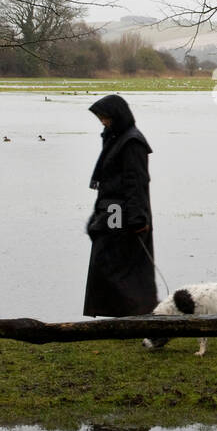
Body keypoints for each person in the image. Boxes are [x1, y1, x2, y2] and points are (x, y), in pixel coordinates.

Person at [83, 94, 158, 318]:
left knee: (121, 264)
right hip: (111, 210)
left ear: (117, 116)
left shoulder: (132, 142)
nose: (103, 122)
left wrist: (138, 219)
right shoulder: (115, 138)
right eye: (101, 119)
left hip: (126, 214)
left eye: (105, 118)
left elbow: (136, 182)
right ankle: (118, 312)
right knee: (107, 261)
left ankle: (134, 312)